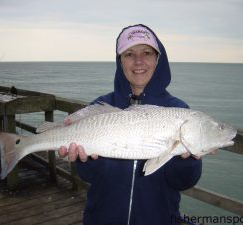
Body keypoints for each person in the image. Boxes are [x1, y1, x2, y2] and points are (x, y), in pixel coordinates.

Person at [58, 24, 202, 225]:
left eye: (147, 52)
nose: (139, 61)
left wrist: (187, 160)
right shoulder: (101, 106)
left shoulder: (178, 111)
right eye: (129, 54)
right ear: (120, 61)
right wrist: (86, 160)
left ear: (158, 59)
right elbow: (89, 176)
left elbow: (183, 182)